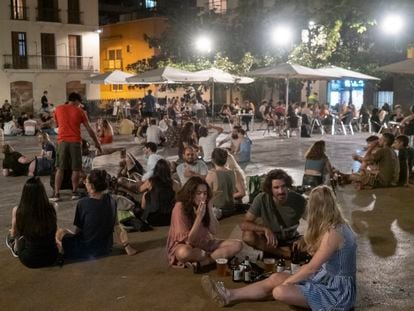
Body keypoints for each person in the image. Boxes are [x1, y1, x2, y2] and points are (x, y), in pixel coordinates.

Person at [202, 186, 357, 311]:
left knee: (280, 291)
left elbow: (311, 268)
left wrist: (288, 282)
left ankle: (310, 301)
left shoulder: (334, 233)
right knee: (277, 277)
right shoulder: (337, 224)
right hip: (324, 279)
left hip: (336, 292)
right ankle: (229, 295)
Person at [56, 169, 137, 259]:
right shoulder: (112, 201)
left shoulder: (83, 203)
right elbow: (117, 227)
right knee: (67, 232)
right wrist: (127, 246)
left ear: (92, 186)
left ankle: (64, 249)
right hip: (105, 249)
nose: (84, 183)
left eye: (86, 182)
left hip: (87, 250)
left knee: (60, 232)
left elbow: (78, 231)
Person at [166, 176, 242, 271]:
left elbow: (214, 231)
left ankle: (203, 263)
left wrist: (209, 206)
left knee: (237, 245)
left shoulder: (204, 204)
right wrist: (199, 217)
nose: (202, 197)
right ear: (190, 193)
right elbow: (189, 240)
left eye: (205, 193)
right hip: (187, 245)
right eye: (198, 193)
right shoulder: (179, 207)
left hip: (204, 243)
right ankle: (216, 257)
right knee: (184, 253)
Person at [240, 169, 307, 258]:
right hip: (271, 240)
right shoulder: (262, 199)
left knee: (320, 242)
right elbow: (244, 224)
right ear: (270, 189)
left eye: (283, 186)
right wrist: (265, 229)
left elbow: (317, 223)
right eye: (276, 188)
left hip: (292, 238)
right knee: (248, 236)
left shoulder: (299, 200)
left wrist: (305, 238)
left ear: (288, 186)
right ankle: (283, 253)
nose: (281, 191)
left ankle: (281, 251)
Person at [51, 92, 102, 202]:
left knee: (59, 168)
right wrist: (97, 143)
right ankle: (74, 192)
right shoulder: (80, 111)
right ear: (77, 101)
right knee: (76, 169)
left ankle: (56, 193)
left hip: (62, 142)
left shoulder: (58, 109)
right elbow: (89, 129)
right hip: (75, 142)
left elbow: (57, 125)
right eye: (80, 103)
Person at [6, 177, 59, 268]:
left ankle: (15, 249)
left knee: (12, 235)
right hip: (51, 257)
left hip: (30, 259)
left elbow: (15, 234)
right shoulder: (53, 207)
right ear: (42, 192)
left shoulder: (18, 210)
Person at [205, 148, 245, 218]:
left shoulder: (211, 175)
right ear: (226, 159)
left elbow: (205, 195)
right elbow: (242, 193)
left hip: (218, 212)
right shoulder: (234, 173)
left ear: (212, 160)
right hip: (231, 209)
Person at [139, 159, 177, 226]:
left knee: (146, 194)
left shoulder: (151, 181)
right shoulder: (173, 183)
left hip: (153, 218)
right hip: (169, 218)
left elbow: (140, 189)